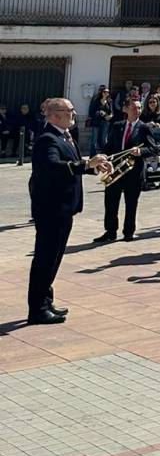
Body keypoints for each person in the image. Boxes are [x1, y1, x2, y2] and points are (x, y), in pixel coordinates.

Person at [28, 99, 112, 324]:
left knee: (53, 258)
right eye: (69, 111)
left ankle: (46, 301)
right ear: (55, 115)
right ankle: (37, 309)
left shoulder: (65, 135)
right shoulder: (47, 139)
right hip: (51, 208)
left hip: (64, 208)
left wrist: (93, 167)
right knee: (46, 258)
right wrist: (86, 165)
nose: (74, 114)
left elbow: (71, 165)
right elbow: (53, 167)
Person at [94, 96, 160, 244]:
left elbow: (154, 148)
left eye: (139, 108)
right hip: (115, 169)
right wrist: (103, 157)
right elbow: (109, 146)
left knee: (131, 202)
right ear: (126, 109)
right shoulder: (117, 125)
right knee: (111, 201)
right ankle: (110, 231)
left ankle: (129, 232)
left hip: (133, 171)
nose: (137, 110)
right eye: (133, 108)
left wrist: (141, 151)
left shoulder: (144, 128)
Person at [87, 85, 113, 158]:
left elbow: (111, 112)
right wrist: (100, 113)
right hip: (96, 122)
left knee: (104, 139)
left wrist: (110, 116)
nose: (106, 93)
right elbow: (91, 111)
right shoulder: (96, 100)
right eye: (105, 92)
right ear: (101, 92)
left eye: (108, 92)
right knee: (94, 140)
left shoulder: (109, 101)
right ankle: (92, 156)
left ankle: (104, 155)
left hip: (105, 122)